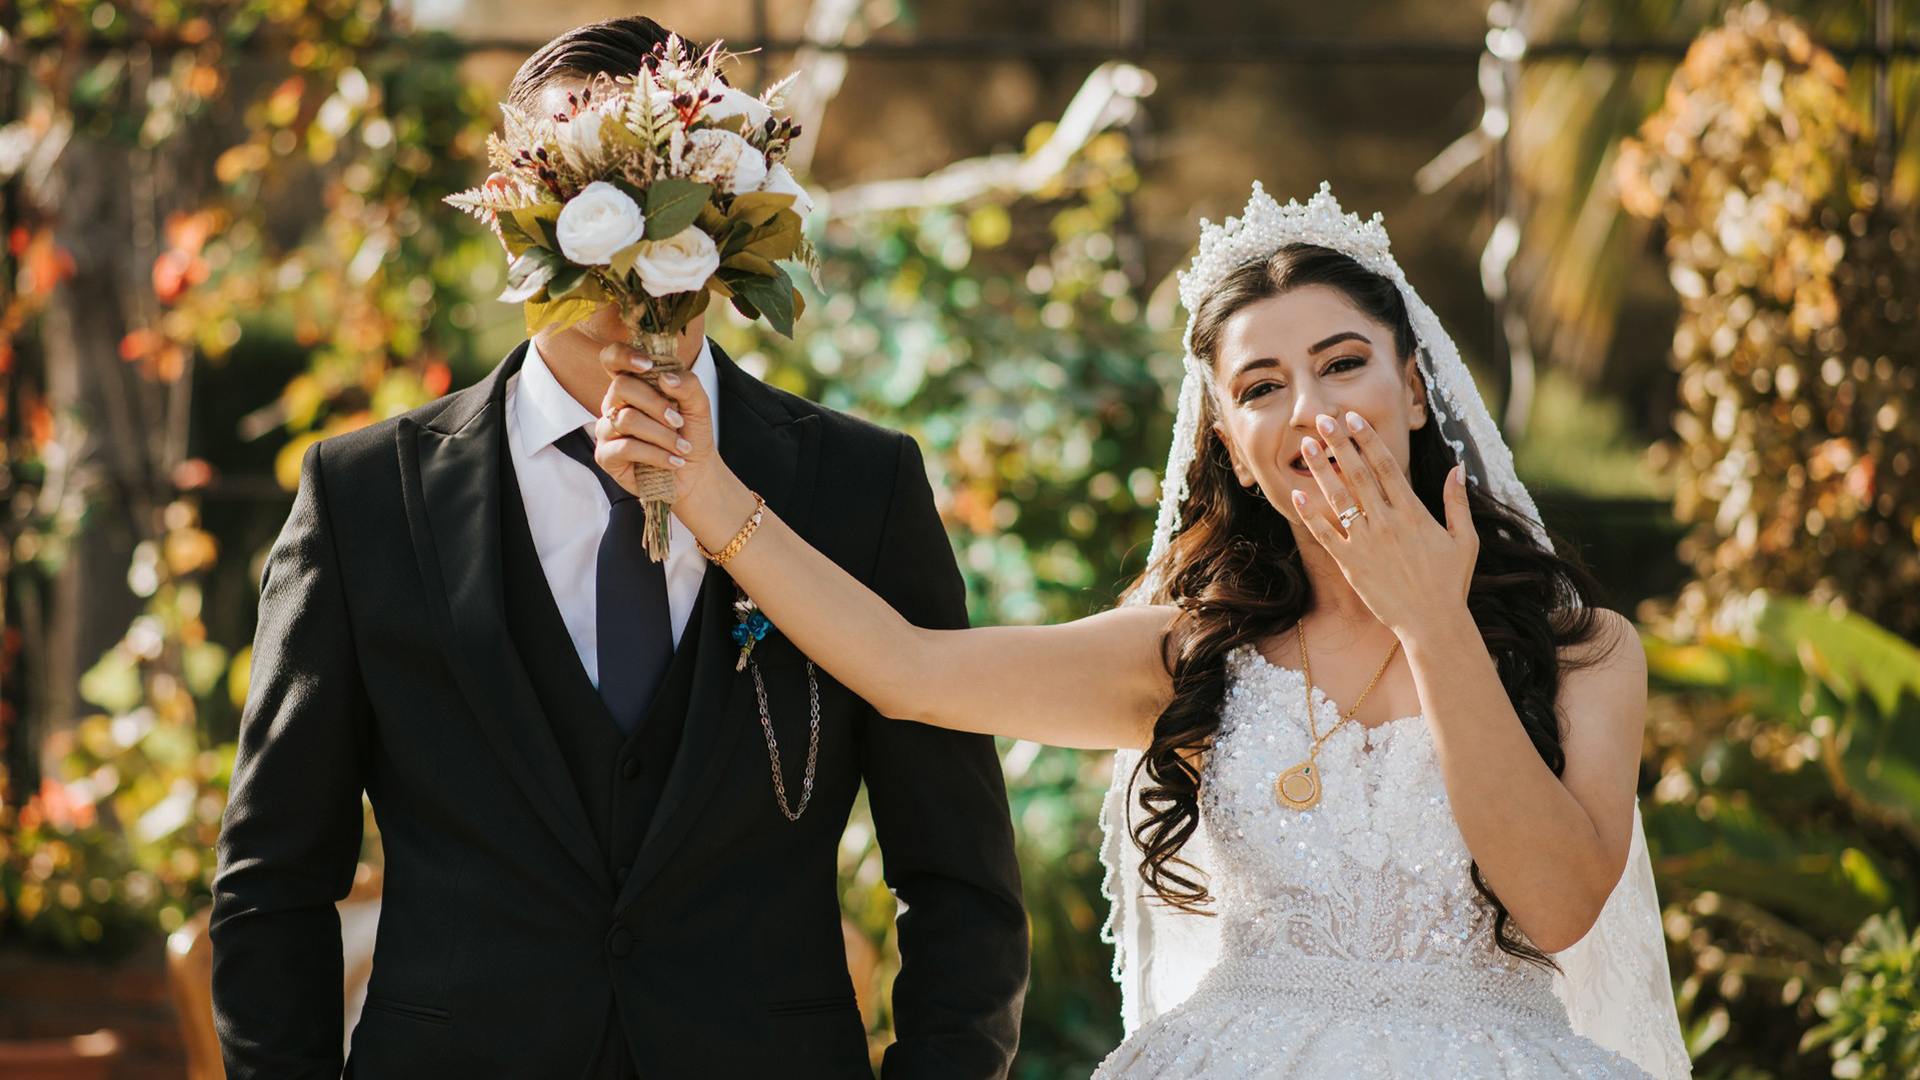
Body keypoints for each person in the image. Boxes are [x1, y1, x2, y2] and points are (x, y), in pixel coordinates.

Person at [593, 183, 1694, 1078]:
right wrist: (701, 485)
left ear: (1414, 390)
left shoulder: (1581, 651)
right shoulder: (1186, 652)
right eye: (1263, 385)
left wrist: (1431, 621)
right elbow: (907, 670)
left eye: (1343, 362)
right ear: (1229, 435)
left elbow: (1556, 906)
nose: (1311, 410)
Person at [210, 16, 1028, 1079]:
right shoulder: (367, 498)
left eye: (675, 210)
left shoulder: (857, 489)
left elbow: (959, 879)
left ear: (733, 228)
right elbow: (273, 881)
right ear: (517, 229)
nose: (639, 278)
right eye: (598, 217)